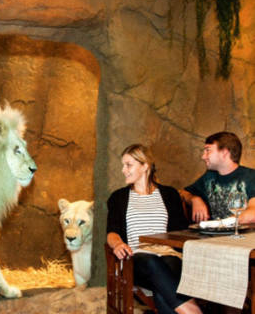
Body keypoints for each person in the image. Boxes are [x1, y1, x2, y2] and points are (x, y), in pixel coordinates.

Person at [106, 144, 202, 314]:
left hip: (169, 255)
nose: (123, 170)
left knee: (165, 278)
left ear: (145, 166)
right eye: (123, 165)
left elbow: (180, 231)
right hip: (135, 259)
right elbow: (112, 231)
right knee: (152, 262)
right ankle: (192, 310)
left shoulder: (169, 194)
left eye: (128, 165)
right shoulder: (118, 197)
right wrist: (118, 244)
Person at [181, 131, 255, 224]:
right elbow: (183, 193)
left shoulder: (251, 177)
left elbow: (253, 213)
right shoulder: (209, 177)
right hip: (211, 236)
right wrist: (195, 199)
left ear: (224, 152)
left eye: (208, 150)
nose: (203, 157)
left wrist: (219, 224)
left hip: (243, 237)